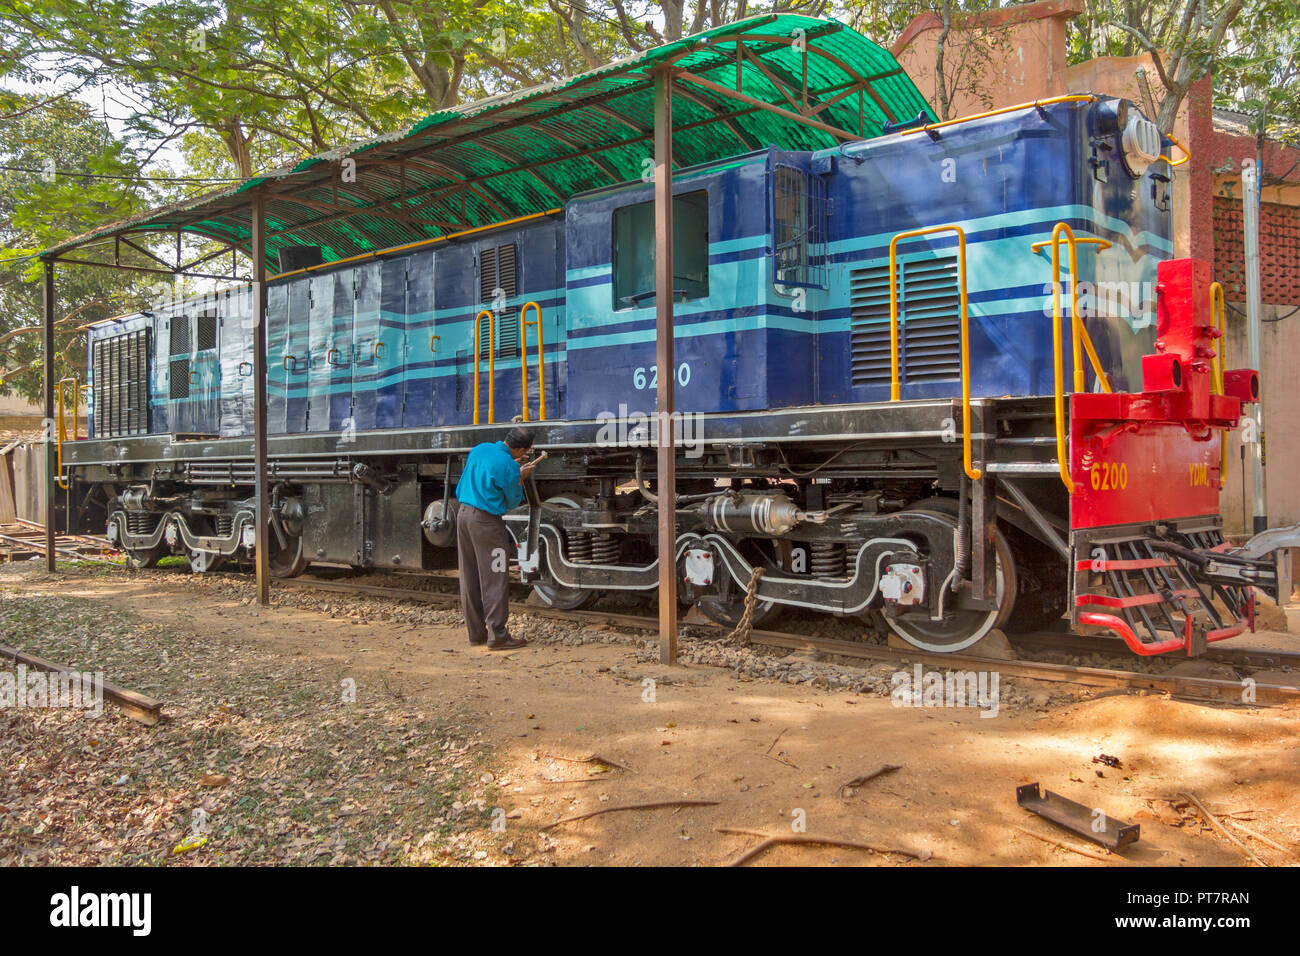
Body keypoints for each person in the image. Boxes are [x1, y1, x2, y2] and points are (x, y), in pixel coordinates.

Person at [454, 427, 539, 650]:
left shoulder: (480, 448)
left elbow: (485, 472)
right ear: (521, 449)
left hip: (463, 517)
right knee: (495, 577)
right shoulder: (509, 466)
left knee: (469, 576)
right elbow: (512, 502)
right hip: (487, 524)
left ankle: (475, 634)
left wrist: (513, 467)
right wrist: (519, 475)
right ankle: (498, 635)